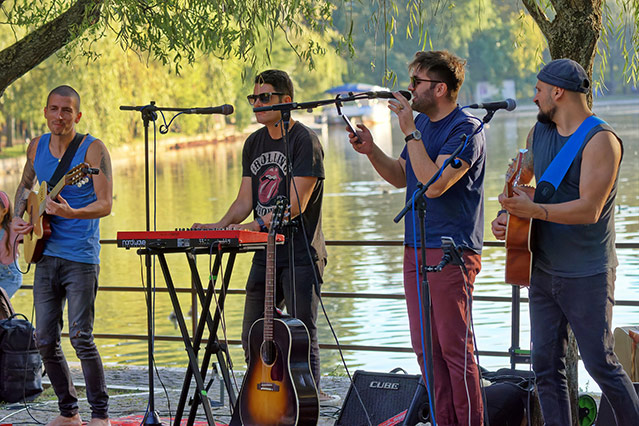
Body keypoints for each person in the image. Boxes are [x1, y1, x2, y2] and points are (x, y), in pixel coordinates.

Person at [491, 58, 639, 426]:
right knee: (544, 365)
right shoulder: (537, 133)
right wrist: (509, 218)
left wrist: (534, 210)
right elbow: (525, 184)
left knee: (600, 363)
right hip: (542, 266)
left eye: (539, 90)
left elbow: (589, 209)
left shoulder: (601, 140)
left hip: (587, 271)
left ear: (558, 92)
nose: (534, 96)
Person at [347, 51, 486, 425]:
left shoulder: (466, 129)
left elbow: (435, 184)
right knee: (426, 350)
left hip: (451, 251)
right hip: (416, 246)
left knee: (455, 350)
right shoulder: (422, 124)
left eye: (417, 82)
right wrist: (371, 149)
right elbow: (402, 176)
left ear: (440, 88)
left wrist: (409, 130)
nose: (409, 89)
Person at [192, 70, 335, 402]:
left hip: (301, 253)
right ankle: (263, 394)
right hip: (265, 252)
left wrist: (259, 224)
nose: (256, 104)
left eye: (264, 98)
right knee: (251, 331)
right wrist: (220, 226)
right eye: (253, 98)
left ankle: (307, 400)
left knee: (301, 333)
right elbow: (245, 201)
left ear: (286, 101)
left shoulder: (305, 141)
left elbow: (297, 202)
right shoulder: (253, 143)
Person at [13, 85, 112, 426]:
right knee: (44, 339)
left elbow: (106, 204)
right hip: (43, 253)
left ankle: (100, 415)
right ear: (45, 111)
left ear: (78, 115)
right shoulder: (36, 146)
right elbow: (26, 187)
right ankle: (69, 411)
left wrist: (71, 213)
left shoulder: (92, 150)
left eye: (67, 110)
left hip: (81, 257)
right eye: (54, 109)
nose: (60, 116)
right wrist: (18, 218)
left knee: (81, 336)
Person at [0, 190, 22, 298]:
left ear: (4, 211)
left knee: (1, 304)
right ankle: (9, 315)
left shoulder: (12, 228)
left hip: (11, 278)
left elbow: (32, 234)